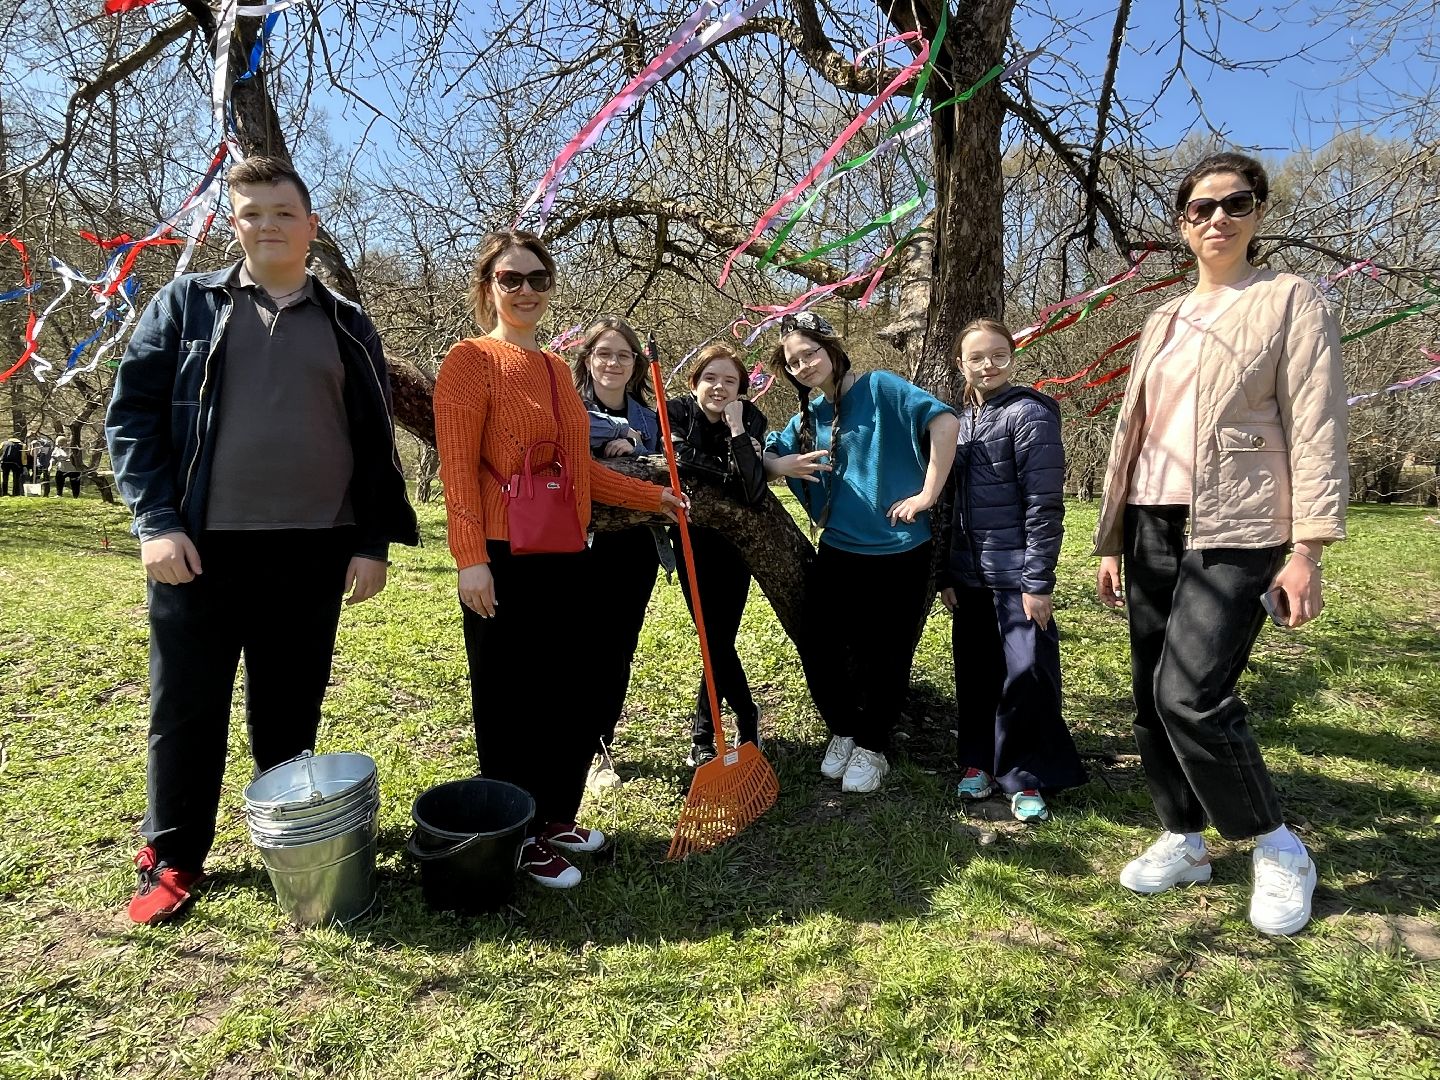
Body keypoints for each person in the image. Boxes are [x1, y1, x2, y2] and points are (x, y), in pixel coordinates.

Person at [105, 155, 419, 925]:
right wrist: (157, 523)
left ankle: (291, 839)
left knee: (289, 709)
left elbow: (372, 439)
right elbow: (132, 418)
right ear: (233, 225)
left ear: (310, 225)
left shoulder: (348, 322)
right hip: (200, 548)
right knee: (186, 706)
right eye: (251, 213)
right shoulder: (186, 306)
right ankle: (174, 856)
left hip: (315, 549)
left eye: (283, 212)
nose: (267, 225)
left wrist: (371, 540)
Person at [1093, 151, 1347, 936]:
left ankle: (1276, 844)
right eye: (1201, 208)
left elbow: (1316, 424)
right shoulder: (1164, 318)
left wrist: (1307, 548)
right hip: (1150, 522)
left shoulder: (1290, 301)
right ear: (1182, 223)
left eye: (1235, 204)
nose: (1218, 219)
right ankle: (1184, 834)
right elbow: (1134, 433)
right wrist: (1112, 538)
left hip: (1240, 523)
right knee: (1148, 697)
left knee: (1191, 695)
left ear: (1259, 213)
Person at [434, 230, 686, 890]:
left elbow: (578, 474)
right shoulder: (470, 360)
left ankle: (554, 817)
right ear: (487, 286)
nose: (525, 291)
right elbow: (456, 470)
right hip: (500, 555)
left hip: (566, 552)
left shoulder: (552, 368)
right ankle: (513, 832)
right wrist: (469, 559)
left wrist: (655, 495)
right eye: (510, 278)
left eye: (537, 278)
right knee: (510, 697)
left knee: (566, 692)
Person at [764, 311, 959, 793]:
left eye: (810, 353)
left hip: (900, 550)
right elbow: (764, 457)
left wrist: (927, 495)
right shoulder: (808, 417)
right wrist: (780, 462)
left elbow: (945, 421)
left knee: (886, 654)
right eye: (793, 362)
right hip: (838, 550)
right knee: (818, 643)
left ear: (831, 348)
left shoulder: (880, 387)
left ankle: (873, 748)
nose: (804, 365)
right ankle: (844, 731)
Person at [940, 318, 1087, 823]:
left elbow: (1045, 505)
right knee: (977, 675)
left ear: (1013, 355)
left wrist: (1038, 581)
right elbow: (948, 504)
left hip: (1016, 576)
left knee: (1026, 673)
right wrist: (947, 575)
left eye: (998, 354)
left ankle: (1023, 775)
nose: (988, 365)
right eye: (977, 357)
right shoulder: (955, 422)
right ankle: (978, 763)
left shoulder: (1030, 415)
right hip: (969, 577)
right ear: (962, 363)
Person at [570, 315, 668, 791]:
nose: (612, 362)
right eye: (604, 353)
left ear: (635, 365)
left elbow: (664, 467)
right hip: (575, 545)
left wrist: (631, 444)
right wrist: (609, 444)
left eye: (623, 355)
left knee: (617, 647)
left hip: (635, 549)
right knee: (575, 645)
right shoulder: (567, 408)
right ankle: (567, 737)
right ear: (588, 359)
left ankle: (599, 746)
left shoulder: (651, 418)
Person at [667, 342, 768, 767]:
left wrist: (738, 430)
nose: (719, 387)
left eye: (730, 381)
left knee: (718, 641)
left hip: (733, 545)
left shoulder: (752, 418)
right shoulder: (674, 411)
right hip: (690, 542)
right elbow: (677, 460)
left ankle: (708, 732)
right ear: (695, 383)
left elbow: (752, 488)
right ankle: (742, 719)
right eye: (710, 378)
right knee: (713, 641)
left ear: (741, 389)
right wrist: (721, 469)